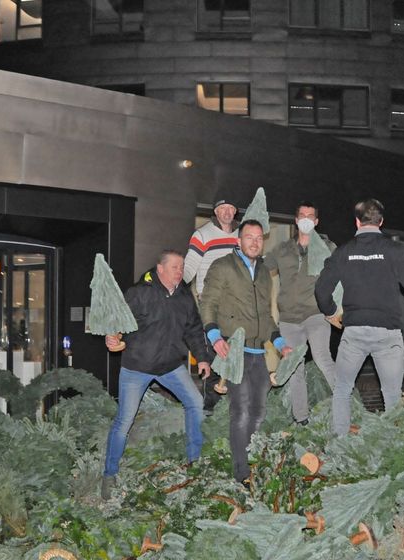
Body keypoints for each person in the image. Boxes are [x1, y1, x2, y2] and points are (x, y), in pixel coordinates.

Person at [315, 198, 404, 437]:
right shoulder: (395, 250)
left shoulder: (344, 252)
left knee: (342, 390)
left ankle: (339, 443)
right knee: (391, 394)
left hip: (354, 333)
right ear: (381, 221)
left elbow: (321, 290)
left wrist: (330, 312)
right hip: (387, 334)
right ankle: (391, 445)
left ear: (357, 221)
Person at [101, 250, 212, 496]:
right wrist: (113, 338)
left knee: (195, 402)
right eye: (174, 267)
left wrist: (203, 359)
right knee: (124, 421)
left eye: (182, 267)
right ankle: (109, 475)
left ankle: (195, 462)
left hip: (170, 366)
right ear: (160, 269)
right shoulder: (139, 293)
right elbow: (117, 324)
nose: (179, 272)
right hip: (137, 367)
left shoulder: (184, 296)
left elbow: (194, 329)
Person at [200, 219, 291, 484]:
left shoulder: (263, 273)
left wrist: (279, 341)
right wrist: (215, 336)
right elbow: (208, 303)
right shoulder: (223, 266)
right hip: (234, 349)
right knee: (240, 411)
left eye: (259, 238)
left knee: (259, 411)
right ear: (239, 241)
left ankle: (248, 457)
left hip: (258, 352)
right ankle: (241, 474)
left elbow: (266, 315)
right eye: (248, 237)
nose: (254, 242)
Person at [267, 202, 337, 425]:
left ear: (316, 222)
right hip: (288, 318)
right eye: (302, 215)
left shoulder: (327, 248)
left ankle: (345, 405)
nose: (306, 219)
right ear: (296, 220)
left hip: (316, 313)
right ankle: (301, 419)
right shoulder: (282, 249)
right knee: (294, 367)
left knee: (322, 358)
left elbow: (342, 275)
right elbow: (259, 268)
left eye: (311, 216)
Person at [183, 199, 239, 411]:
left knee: (236, 355)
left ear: (235, 212)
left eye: (230, 209)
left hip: (236, 304)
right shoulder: (203, 234)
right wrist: (173, 287)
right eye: (222, 209)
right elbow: (189, 267)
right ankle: (210, 409)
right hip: (211, 304)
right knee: (213, 356)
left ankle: (233, 408)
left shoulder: (240, 235)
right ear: (215, 212)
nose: (226, 212)